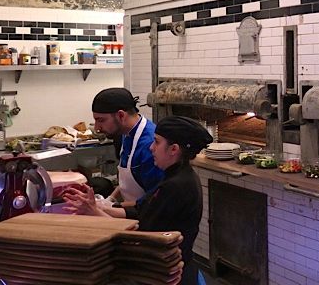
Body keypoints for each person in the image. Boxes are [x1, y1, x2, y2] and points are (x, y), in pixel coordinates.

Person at [63, 115, 213, 285]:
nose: (151, 147)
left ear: (173, 149)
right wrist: (101, 207)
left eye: (157, 142)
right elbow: (140, 210)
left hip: (168, 273)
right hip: (162, 265)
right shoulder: (174, 175)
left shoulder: (177, 186)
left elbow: (142, 238)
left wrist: (96, 213)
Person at [92, 87, 164, 204]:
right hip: (130, 209)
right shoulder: (125, 133)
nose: (96, 128)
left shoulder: (149, 145)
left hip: (147, 213)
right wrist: (110, 199)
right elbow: (127, 182)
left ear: (121, 115)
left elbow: (154, 201)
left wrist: (112, 207)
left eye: (101, 120)